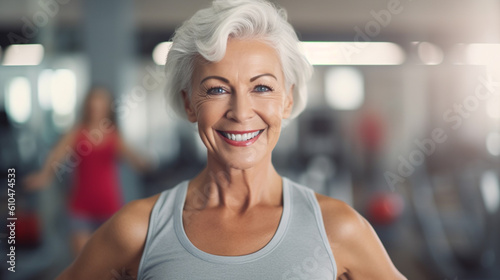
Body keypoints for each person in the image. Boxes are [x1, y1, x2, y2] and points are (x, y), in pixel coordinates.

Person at [57, 0, 406, 279]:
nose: (241, 111)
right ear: (188, 104)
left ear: (287, 99)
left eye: (262, 87)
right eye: (217, 89)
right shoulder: (138, 230)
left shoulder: (338, 229)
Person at [24, 87, 150, 255]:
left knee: (107, 263)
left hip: (109, 207)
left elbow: (134, 159)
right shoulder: (77, 133)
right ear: (87, 106)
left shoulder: (114, 135)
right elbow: (57, 155)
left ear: (107, 108)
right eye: (93, 103)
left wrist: (146, 163)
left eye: (100, 103)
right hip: (80, 207)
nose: (96, 107)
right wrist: (44, 176)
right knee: (82, 263)